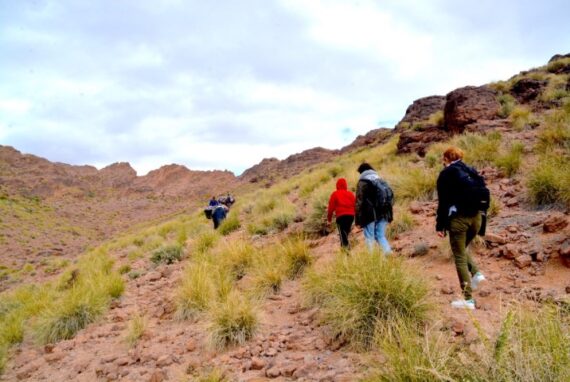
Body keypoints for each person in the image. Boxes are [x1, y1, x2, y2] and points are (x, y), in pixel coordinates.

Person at [436, 147, 486, 310]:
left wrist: (440, 225)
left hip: (459, 220)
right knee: (462, 250)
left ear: (446, 159)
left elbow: (443, 202)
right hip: (477, 219)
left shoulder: (446, 174)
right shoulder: (470, 170)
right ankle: (477, 274)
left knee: (459, 257)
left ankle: (468, 300)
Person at [355, 163, 393, 254]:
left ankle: (371, 261)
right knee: (380, 235)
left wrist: (357, 220)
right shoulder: (380, 179)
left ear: (362, 171)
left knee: (369, 236)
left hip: (369, 214)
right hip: (384, 212)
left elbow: (359, 202)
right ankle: (388, 254)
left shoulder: (362, 182)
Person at [327, 178, 356, 250]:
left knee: (343, 235)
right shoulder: (350, 194)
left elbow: (331, 208)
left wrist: (329, 219)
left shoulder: (335, 194)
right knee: (344, 234)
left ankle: (346, 252)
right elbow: (356, 205)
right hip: (351, 216)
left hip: (341, 217)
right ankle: (344, 250)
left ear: (337, 185)